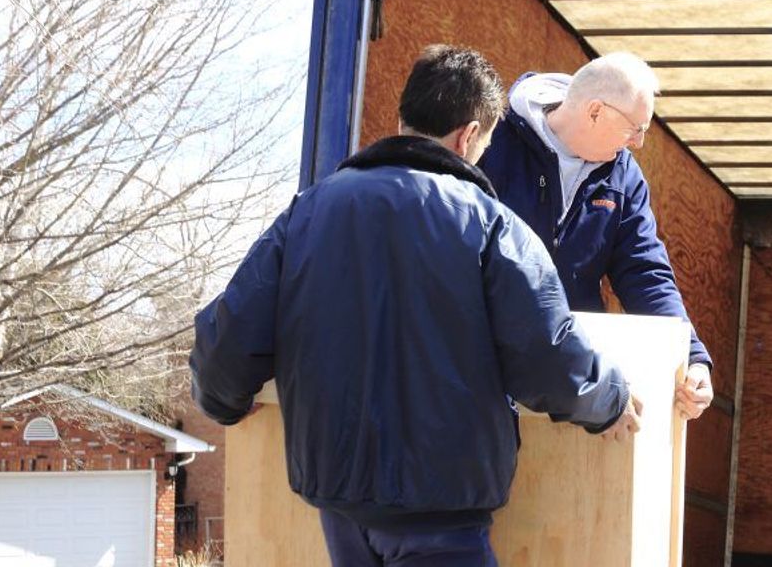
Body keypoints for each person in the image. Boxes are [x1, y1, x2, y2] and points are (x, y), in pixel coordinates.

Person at [190, 45, 641, 567]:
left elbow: (230, 332)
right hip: (441, 513)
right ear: (469, 135)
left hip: (342, 506)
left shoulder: (308, 212)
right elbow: (546, 353)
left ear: (405, 119)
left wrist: (222, 400)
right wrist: (609, 397)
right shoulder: (492, 227)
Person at [478, 52, 714, 421]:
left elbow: (644, 271)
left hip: (571, 381)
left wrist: (692, 358)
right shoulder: (494, 143)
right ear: (594, 111)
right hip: (487, 371)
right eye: (635, 128)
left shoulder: (624, 177)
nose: (638, 143)